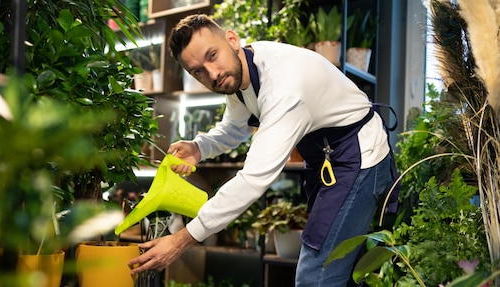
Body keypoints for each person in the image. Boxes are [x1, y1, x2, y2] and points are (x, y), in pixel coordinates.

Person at [128, 14, 399, 286]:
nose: (211, 74)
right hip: (329, 160)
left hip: (358, 159)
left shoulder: (284, 88)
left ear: (232, 40)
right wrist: (200, 148)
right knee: (342, 272)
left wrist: (181, 239)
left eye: (212, 55)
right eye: (197, 71)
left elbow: (252, 180)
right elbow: (235, 126)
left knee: (317, 275)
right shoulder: (240, 71)